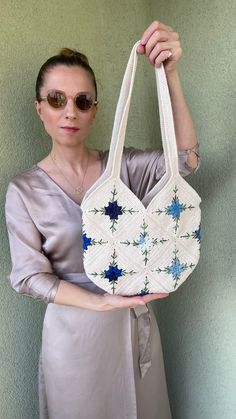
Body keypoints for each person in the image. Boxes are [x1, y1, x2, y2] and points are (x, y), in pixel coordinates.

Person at [5, 21, 200, 419]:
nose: (69, 111)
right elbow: (29, 277)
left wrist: (170, 74)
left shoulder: (124, 168)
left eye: (82, 100)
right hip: (73, 336)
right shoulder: (24, 190)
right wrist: (100, 303)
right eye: (56, 99)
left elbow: (186, 161)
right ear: (39, 107)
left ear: (95, 110)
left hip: (132, 329)